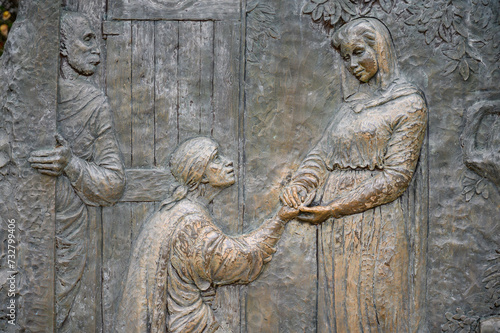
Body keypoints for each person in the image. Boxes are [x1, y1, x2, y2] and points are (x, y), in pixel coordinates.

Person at [281, 18, 428, 332]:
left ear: (380, 49)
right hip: (336, 230)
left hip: (375, 223)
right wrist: (300, 184)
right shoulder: (351, 107)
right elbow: (322, 154)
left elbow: (396, 178)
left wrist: (335, 207)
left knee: (374, 302)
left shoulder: (409, 105)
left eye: (359, 52)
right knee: (339, 307)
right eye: (345, 57)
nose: (351, 64)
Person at [115, 137, 300, 333]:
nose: (227, 162)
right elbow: (238, 260)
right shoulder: (192, 225)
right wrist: (279, 221)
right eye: (216, 159)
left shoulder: (172, 212)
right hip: (188, 326)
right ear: (200, 174)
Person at [28, 10, 125, 331]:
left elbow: (113, 184)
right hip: (19, 226)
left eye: (97, 38)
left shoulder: (95, 104)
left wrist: (71, 163)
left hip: (69, 235)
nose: (98, 49)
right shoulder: (24, 97)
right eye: (87, 39)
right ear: (62, 47)